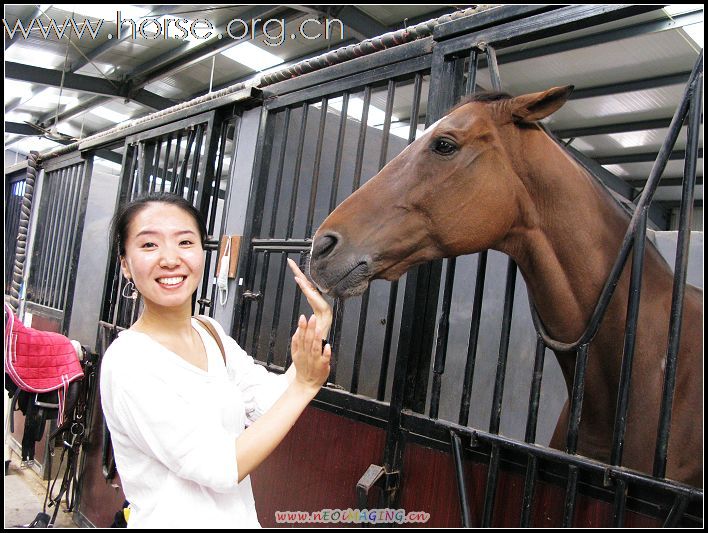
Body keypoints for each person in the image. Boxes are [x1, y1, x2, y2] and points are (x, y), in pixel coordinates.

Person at [100, 192, 332, 528]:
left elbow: (268, 403)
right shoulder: (129, 362)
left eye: (185, 242)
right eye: (149, 245)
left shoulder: (208, 332)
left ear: (202, 254)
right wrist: (306, 386)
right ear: (125, 264)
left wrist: (319, 325)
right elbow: (221, 468)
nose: (170, 259)